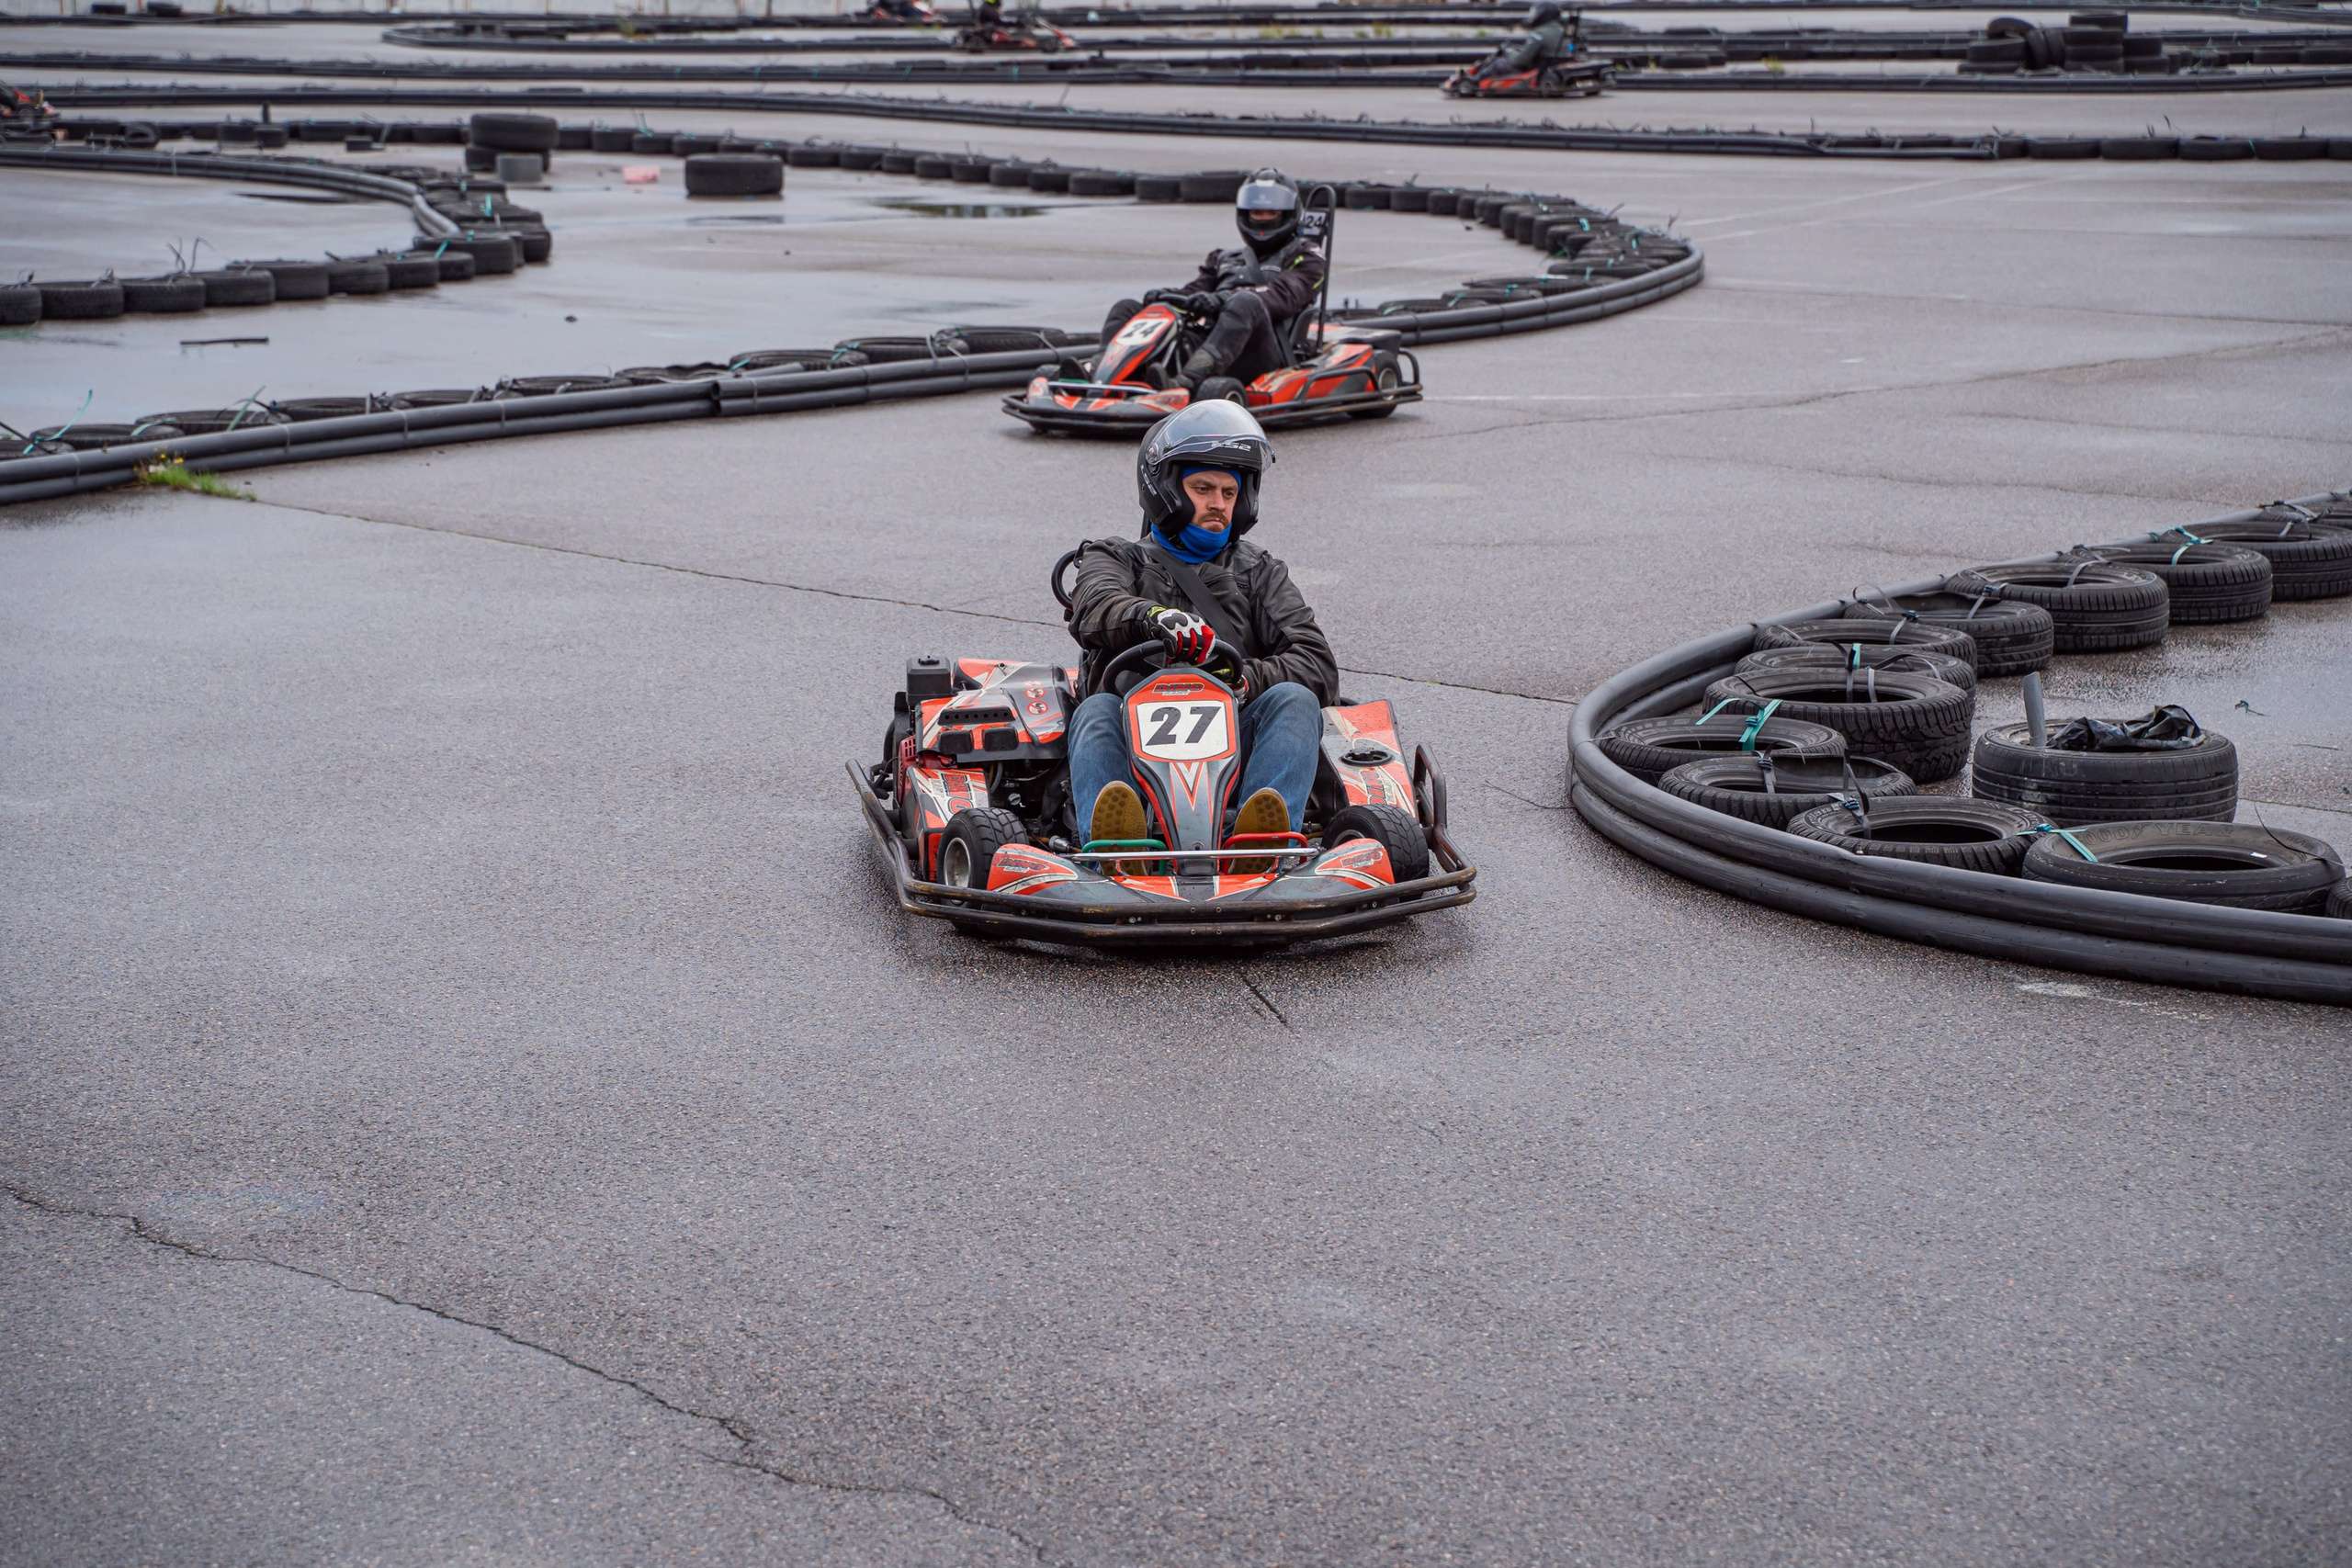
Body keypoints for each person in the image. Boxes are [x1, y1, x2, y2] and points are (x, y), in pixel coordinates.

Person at [1063, 400, 1336, 856]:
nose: (1218, 505)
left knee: (1296, 699)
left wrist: (1244, 677)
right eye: (1203, 488)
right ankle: (1117, 851)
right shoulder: (1116, 557)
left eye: (1229, 494)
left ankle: (1262, 845)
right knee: (1095, 711)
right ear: (1166, 491)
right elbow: (1094, 606)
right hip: (1131, 741)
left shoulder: (1259, 570)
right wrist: (1151, 618)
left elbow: (1316, 661)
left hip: (1235, 740)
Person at [1098, 169, 1327, 394]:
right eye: (1257, 212)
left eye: (1271, 213)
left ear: (1288, 214)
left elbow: (1284, 295)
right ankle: (1099, 373)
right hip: (1210, 343)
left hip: (1263, 352)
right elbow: (1194, 293)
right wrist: (1164, 297)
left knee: (1245, 302)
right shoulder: (1224, 258)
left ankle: (1186, 383)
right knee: (1127, 307)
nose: (1264, 219)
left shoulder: (1307, 256)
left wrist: (1223, 299)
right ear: (1245, 214)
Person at [1472, 1, 1574, 79]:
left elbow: (1519, 60)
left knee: (1497, 63)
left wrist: (1509, 52)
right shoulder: (1562, 31)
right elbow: (1569, 47)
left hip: (1535, 71)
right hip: (1551, 67)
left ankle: (1474, 80)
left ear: (1543, 15)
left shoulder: (1539, 34)